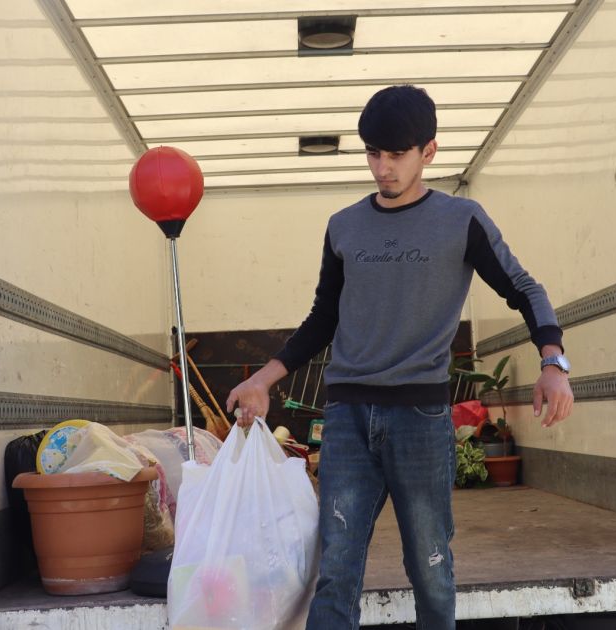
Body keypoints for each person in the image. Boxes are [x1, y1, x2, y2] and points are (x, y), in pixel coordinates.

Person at [226, 85, 574, 630]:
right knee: (336, 570)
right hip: (347, 419)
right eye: (373, 153)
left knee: (430, 568)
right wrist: (264, 379)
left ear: (428, 152)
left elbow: (524, 288)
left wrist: (553, 364)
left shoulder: (462, 220)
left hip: (420, 420)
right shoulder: (344, 226)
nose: (382, 168)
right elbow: (323, 318)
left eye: (396, 154)